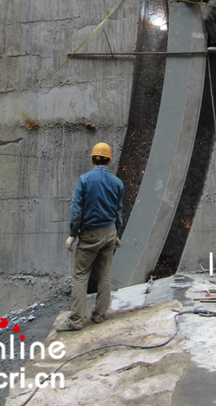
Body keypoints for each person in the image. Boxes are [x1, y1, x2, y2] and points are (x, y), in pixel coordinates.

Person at [57, 142, 124, 331]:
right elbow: (119, 211)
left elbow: (77, 210)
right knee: (104, 275)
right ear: (109, 161)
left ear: (92, 159)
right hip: (110, 233)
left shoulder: (85, 180)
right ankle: (99, 315)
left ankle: (76, 321)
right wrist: (116, 233)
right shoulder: (117, 183)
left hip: (90, 235)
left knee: (80, 276)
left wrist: (73, 234)